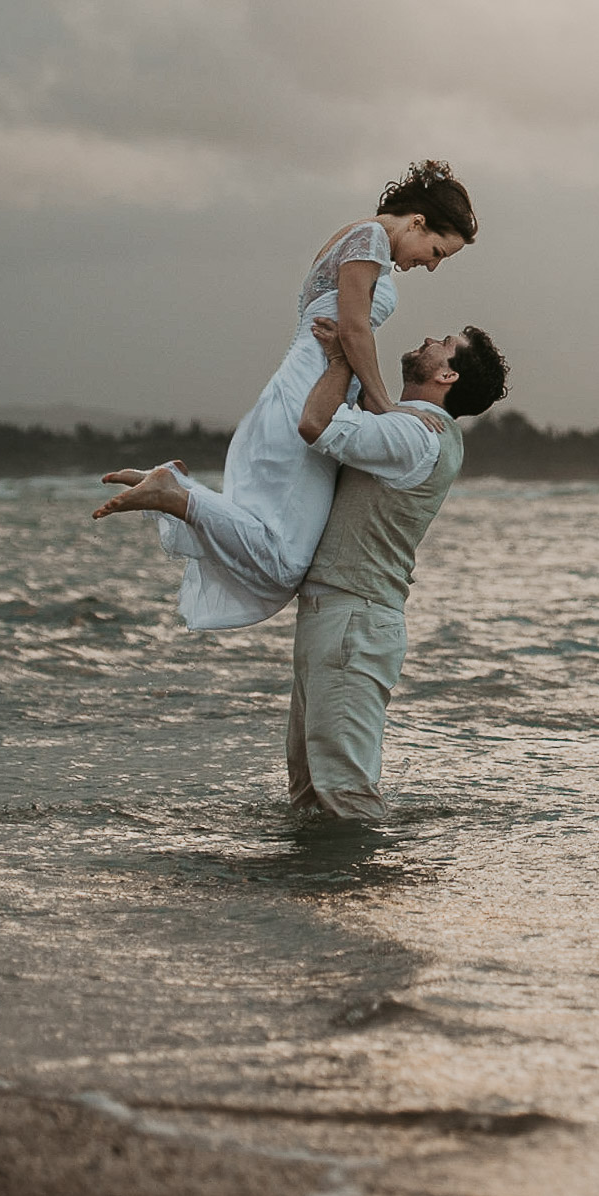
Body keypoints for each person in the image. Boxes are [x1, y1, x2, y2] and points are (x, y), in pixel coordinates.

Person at [92, 162, 478, 630]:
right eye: (436, 250)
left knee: (275, 541)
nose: (432, 265)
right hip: (310, 389)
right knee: (284, 564)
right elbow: (354, 330)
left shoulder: (358, 239)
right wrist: (385, 406)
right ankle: (175, 495)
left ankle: (177, 486)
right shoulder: (369, 240)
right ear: (417, 222)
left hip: (311, 385)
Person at [287, 314, 509, 820]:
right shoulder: (410, 425)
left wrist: (343, 358)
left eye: (445, 343)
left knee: (343, 791)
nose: (431, 339)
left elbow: (316, 425)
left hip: (353, 620)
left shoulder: (417, 435)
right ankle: (306, 896)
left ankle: (371, 889)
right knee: (309, 795)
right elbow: (366, 411)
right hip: (341, 616)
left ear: (447, 375)